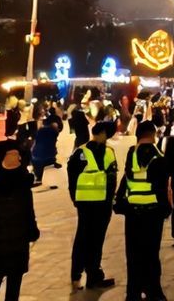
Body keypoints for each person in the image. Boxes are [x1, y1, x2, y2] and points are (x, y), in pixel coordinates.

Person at [117, 120, 171, 301]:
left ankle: (133, 293)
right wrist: (166, 209)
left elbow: (127, 179)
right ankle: (153, 291)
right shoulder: (159, 156)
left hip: (133, 212)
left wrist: (119, 202)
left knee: (133, 254)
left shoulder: (131, 154)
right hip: (153, 213)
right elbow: (162, 187)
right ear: (153, 135)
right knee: (151, 253)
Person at [0, 143, 39, 301]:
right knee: (13, 287)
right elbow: (29, 213)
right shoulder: (24, 185)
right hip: (18, 243)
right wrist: (32, 232)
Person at [66, 122, 117, 290]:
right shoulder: (106, 152)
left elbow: (71, 177)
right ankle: (91, 274)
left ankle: (79, 275)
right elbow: (112, 179)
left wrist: (75, 198)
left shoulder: (80, 152)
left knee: (83, 237)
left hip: (85, 203)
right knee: (95, 239)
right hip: (100, 203)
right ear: (103, 133)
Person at [29, 118, 59, 186]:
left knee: (36, 161)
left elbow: (35, 142)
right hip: (51, 154)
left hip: (39, 155)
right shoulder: (55, 132)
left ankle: (38, 179)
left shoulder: (40, 131)